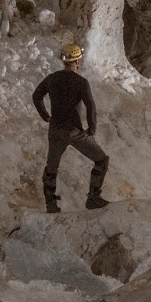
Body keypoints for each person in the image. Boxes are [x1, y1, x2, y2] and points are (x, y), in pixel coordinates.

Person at [32, 42, 109, 213]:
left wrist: (45, 116)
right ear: (77, 61)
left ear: (64, 61)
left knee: (51, 167)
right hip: (73, 131)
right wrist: (92, 129)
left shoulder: (51, 78)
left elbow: (36, 96)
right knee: (101, 160)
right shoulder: (81, 82)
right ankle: (93, 198)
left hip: (55, 130)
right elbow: (91, 107)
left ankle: (51, 205)